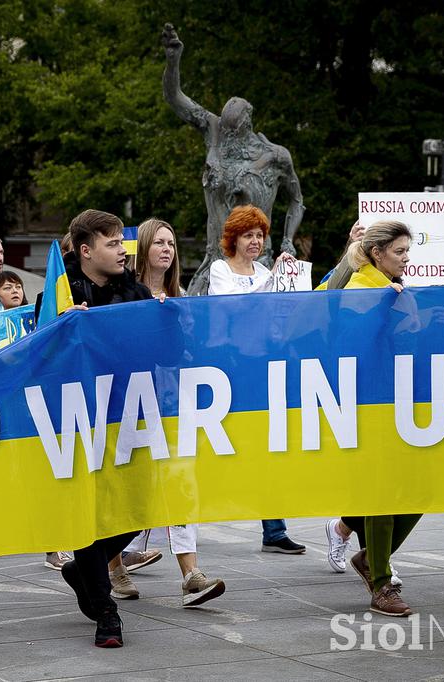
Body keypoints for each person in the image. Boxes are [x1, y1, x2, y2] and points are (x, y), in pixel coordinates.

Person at [115, 218, 226, 608]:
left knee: (181, 482)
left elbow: (187, 350)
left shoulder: (179, 297)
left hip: (171, 403)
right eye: (159, 242)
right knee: (127, 486)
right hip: (127, 403)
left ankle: (190, 574)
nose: (167, 249)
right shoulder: (122, 293)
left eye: (172, 243)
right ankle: (113, 566)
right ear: (143, 247)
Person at [58, 209, 151, 649]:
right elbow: (39, 354)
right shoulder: (60, 292)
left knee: (146, 506)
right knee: (87, 516)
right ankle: (106, 612)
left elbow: (160, 353)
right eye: (113, 243)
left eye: (122, 242)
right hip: (77, 420)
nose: (122, 250)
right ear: (86, 250)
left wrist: (164, 322)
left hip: (129, 413)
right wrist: (64, 328)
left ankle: (83, 571)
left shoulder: (137, 291)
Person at [162, 23, 304, 295]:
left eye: (233, 132)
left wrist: (288, 240)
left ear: (246, 125)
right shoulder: (213, 129)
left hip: (258, 263)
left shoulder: (275, 156)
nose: (227, 137)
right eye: (225, 131)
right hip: (215, 262)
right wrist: (173, 60)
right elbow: (175, 98)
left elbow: (296, 200)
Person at [331, 220, 422, 618]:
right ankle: (381, 581)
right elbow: (354, 344)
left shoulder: (393, 289)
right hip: (369, 401)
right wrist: (392, 310)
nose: (406, 259)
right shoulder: (361, 291)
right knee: (382, 489)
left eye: (407, 251)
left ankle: (369, 556)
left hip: (400, 398)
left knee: (420, 488)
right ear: (377, 253)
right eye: (400, 252)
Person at [206, 206, 307, 555]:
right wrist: (272, 282)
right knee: (226, 444)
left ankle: (274, 528)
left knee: (271, 443)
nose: (256, 241)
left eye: (259, 235)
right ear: (233, 238)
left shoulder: (265, 270)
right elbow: (231, 307)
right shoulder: (220, 270)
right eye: (248, 234)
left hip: (264, 363)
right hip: (230, 367)